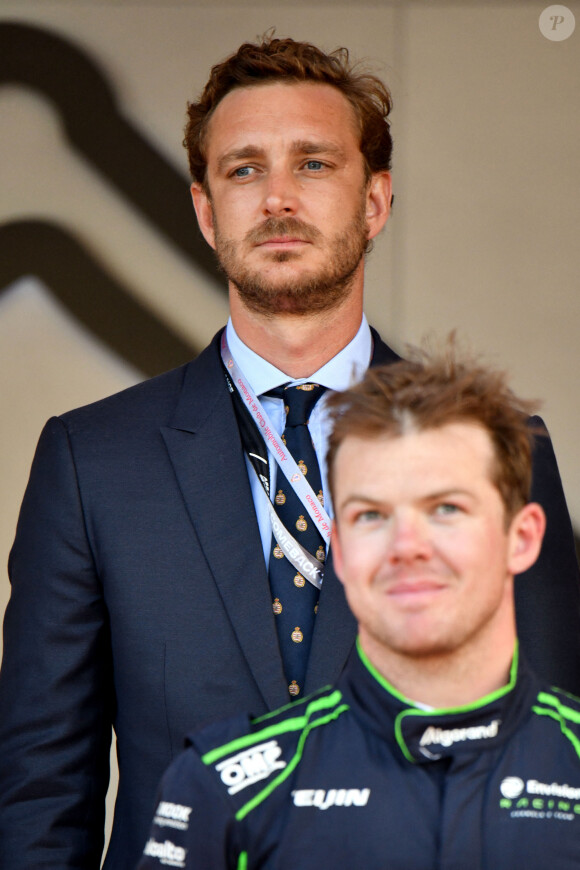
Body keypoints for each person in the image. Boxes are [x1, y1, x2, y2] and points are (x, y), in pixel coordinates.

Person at [0, 35, 578, 870]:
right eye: (243, 170)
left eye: (312, 165)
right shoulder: (91, 460)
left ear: (375, 202)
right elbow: (39, 795)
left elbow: (551, 747)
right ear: (204, 210)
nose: (276, 198)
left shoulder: (502, 447)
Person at [138, 346, 580, 870]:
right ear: (341, 551)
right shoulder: (223, 788)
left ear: (521, 537)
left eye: (446, 508)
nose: (407, 545)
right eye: (372, 515)